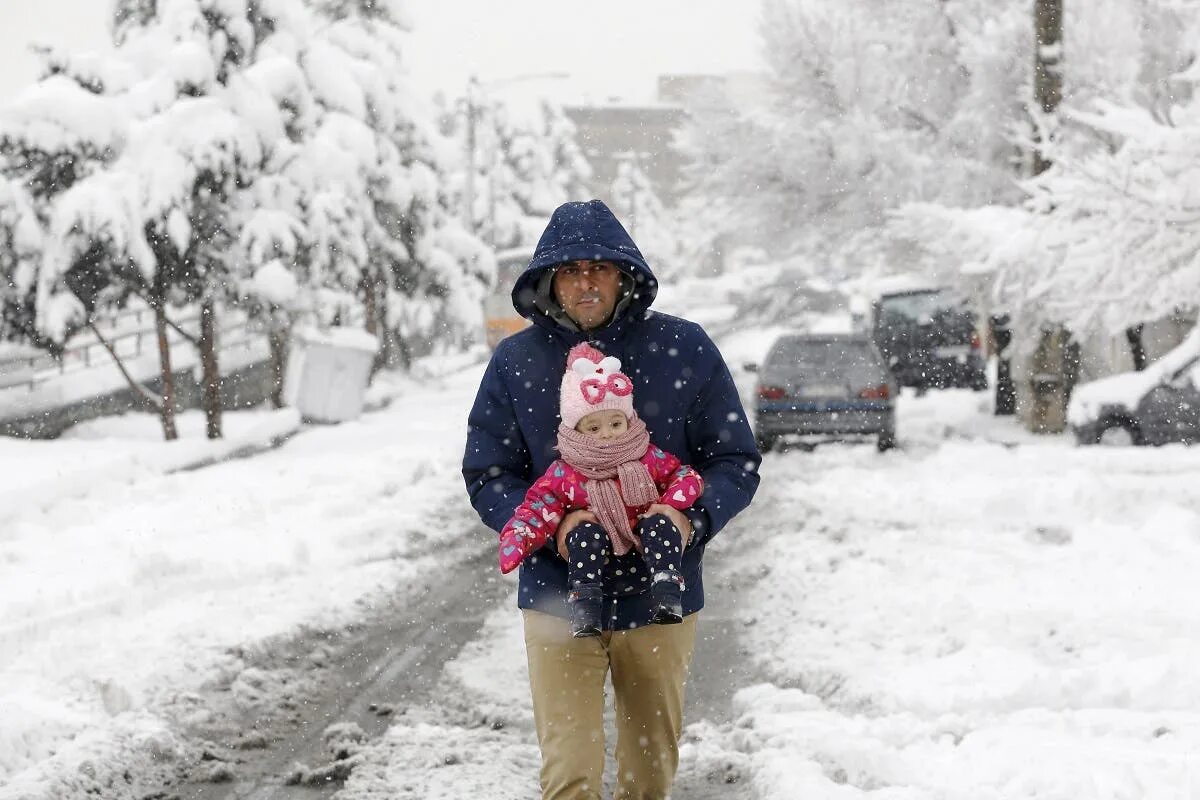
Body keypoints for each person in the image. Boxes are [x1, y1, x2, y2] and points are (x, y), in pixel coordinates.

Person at [463, 199, 760, 799]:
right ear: (549, 281)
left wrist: (688, 518)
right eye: (571, 270)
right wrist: (557, 528)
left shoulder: (685, 348)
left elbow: (735, 460)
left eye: (599, 267)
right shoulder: (516, 361)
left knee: (647, 778)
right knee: (568, 774)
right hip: (556, 595)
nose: (586, 281)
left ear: (626, 274)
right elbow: (489, 472)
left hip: (661, 598)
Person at [498, 341, 705, 637]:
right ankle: (585, 603)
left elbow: (683, 475)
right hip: (597, 543)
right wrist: (519, 537)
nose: (607, 434)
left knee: (661, 524)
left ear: (628, 419)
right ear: (576, 430)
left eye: (616, 423)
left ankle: (667, 589)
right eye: (593, 428)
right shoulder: (566, 473)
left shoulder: (648, 456)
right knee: (582, 535)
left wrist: (672, 503)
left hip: (646, 536)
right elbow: (538, 506)